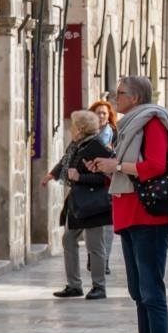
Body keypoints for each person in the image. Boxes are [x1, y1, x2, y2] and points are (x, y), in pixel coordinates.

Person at [90, 76, 168, 333]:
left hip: (150, 216)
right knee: (137, 290)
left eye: (120, 93)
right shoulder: (130, 125)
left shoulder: (152, 122)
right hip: (130, 213)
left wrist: (116, 166)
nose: (115, 98)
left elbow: (155, 165)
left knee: (152, 291)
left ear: (136, 97)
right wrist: (107, 166)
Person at [50, 109, 114, 300]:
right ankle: (74, 285)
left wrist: (80, 177)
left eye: (74, 124)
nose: (71, 128)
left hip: (93, 204)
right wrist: (51, 175)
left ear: (80, 127)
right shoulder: (77, 145)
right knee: (69, 239)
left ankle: (99, 286)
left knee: (95, 245)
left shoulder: (96, 146)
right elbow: (64, 163)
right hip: (78, 201)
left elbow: (106, 178)